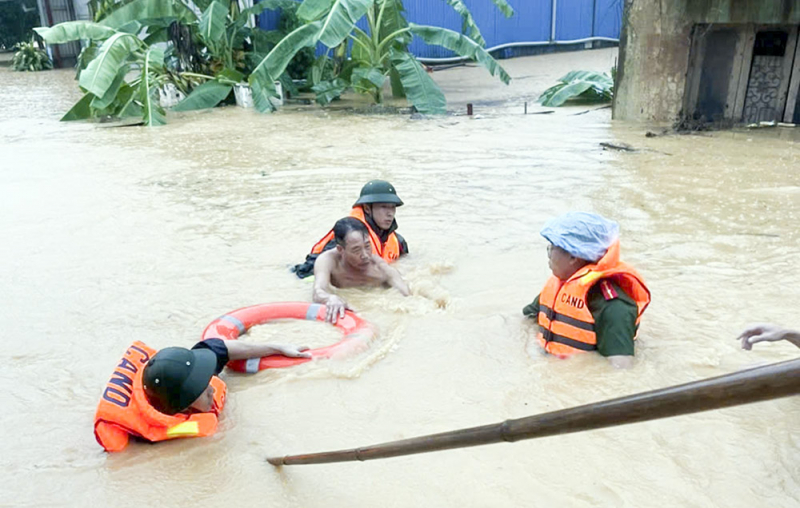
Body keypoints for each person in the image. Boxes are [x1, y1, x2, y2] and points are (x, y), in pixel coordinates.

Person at [94, 338, 310, 452]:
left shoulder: (182, 375)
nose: (212, 389)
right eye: (201, 388)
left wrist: (277, 347)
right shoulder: (146, 440)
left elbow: (221, 348)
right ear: (182, 407)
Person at [522, 212, 651, 368]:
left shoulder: (613, 306)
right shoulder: (558, 286)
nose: (549, 255)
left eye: (553, 248)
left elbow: (622, 367)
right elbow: (527, 319)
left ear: (573, 257)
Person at [292, 179, 409, 279]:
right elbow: (307, 271)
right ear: (367, 208)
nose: (390, 213)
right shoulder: (347, 236)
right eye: (383, 207)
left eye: (392, 207)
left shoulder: (399, 242)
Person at [313, 217, 410, 323]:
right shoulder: (328, 260)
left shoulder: (380, 269)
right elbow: (318, 290)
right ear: (341, 250)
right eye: (356, 250)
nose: (365, 255)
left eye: (367, 246)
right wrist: (330, 298)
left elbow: (408, 297)